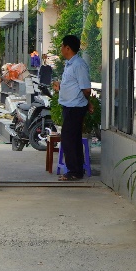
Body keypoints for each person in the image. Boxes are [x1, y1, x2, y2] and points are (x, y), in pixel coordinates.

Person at [55, 34, 92, 182]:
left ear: (68, 48)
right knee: (73, 138)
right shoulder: (69, 64)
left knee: (68, 138)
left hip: (75, 107)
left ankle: (74, 171)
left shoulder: (78, 65)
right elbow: (74, 86)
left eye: (62, 46)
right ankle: (77, 169)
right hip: (69, 106)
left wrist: (87, 102)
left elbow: (86, 89)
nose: (61, 49)